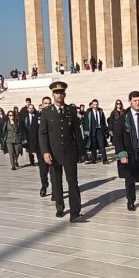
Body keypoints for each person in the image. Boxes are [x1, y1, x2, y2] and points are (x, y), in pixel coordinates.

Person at [39, 81, 86, 222]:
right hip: (53, 152)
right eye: (56, 92)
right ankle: (60, 207)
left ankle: (75, 211)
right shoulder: (46, 112)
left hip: (70, 152)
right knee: (56, 182)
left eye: (61, 92)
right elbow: (43, 133)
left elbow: (77, 133)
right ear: (53, 95)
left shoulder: (71, 111)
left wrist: (81, 151)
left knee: (72, 181)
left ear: (64, 94)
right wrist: (45, 152)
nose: (59, 95)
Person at [83, 99, 108, 164]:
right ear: (92, 105)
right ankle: (94, 159)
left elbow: (103, 121)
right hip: (92, 130)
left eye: (96, 104)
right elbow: (85, 122)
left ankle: (104, 159)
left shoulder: (100, 111)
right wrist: (86, 131)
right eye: (94, 104)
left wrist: (105, 129)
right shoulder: (89, 112)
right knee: (93, 146)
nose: (95, 106)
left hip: (100, 130)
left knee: (102, 145)